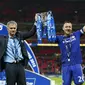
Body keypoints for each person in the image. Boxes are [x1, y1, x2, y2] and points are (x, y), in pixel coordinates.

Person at [0, 20, 36, 85]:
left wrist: (36, 22)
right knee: (10, 83)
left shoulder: (20, 36)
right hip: (9, 65)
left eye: (14, 28)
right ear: (7, 29)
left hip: (20, 65)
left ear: (16, 28)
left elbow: (31, 33)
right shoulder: (2, 39)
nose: (13, 30)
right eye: (11, 28)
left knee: (22, 83)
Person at [55, 21, 85, 85]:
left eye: (69, 27)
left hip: (76, 64)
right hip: (65, 65)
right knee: (66, 84)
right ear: (63, 28)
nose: (68, 28)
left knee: (79, 83)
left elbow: (84, 29)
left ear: (71, 28)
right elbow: (50, 37)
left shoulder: (77, 34)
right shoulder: (59, 38)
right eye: (66, 27)